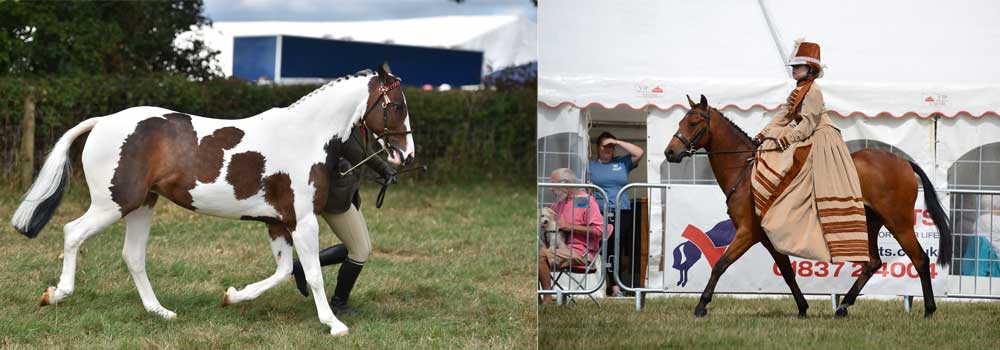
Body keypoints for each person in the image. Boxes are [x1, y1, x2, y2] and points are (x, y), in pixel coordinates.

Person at [750, 40, 869, 263]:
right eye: (793, 67)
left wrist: (786, 139)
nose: (794, 70)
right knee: (773, 143)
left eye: (798, 66)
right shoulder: (798, 90)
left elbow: (808, 124)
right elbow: (783, 115)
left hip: (822, 137)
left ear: (810, 69)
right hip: (806, 133)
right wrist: (763, 134)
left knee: (796, 165)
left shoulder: (813, 91)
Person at [289, 127, 398, 315]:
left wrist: (385, 169)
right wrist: (336, 165)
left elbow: (364, 153)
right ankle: (339, 303)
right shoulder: (337, 124)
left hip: (347, 193)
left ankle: (299, 267)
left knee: (360, 247)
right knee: (360, 250)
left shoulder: (357, 124)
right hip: (334, 196)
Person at [538, 168, 606, 304]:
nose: (551, 189)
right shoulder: (559, 204)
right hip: (560, 248)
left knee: (540, 256)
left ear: (566, 184)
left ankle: (547, 298)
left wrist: (570, 227)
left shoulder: (585, 201)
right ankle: (539, 299)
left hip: (581, 252)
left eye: (554, 184)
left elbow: (599, 230)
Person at [587, 132, 643, 296]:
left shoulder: (622, 162)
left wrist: (617, 140)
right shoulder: (590, 166)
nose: (608, 149)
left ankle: (616, 284)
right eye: (605, 146)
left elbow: (639, 152)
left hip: (622, 210)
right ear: (597, 148)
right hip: (600, 211)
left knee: (618, 248)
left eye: (611, 147)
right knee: (603, 247)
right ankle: (606, 285)